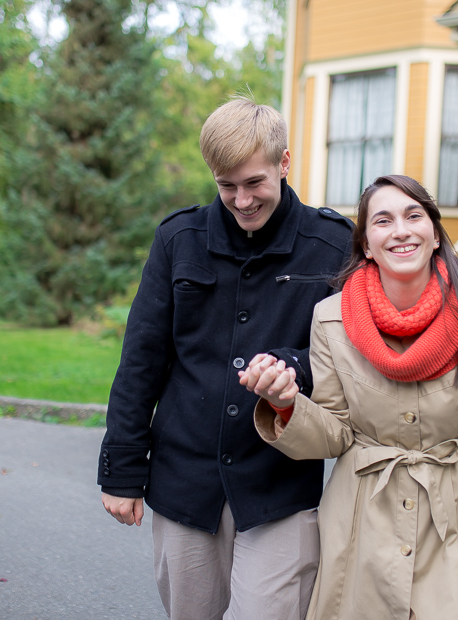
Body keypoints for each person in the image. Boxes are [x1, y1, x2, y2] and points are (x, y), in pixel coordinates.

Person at [241, 174, 458, 620]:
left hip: (456, 525)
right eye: (383, 221)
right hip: (361, 525)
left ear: (435, 233)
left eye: (413, 215)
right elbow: (335, 435)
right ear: (366, 243)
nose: (401, 230)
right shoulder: (331, 320)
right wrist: (288, 405)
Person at [97, 97, 353, 620]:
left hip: (281, 484)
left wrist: (293, 368)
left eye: (254, 182)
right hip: (184, 482)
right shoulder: (178, 239)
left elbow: (347, 356)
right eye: (225, 185)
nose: (241, 200)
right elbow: (141, 358)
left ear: (284, 163)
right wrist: (121, 471)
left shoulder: (333, 243)